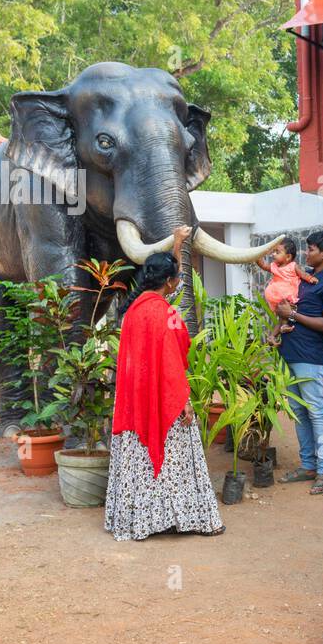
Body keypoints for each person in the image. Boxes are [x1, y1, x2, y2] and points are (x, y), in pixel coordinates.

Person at [105, 227, 224, 542]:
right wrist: (184, 401)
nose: (178, 282)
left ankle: (140, 522)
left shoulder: (133, 311)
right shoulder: (167, 314)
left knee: (141, 465)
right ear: (169, 283)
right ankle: (192, 519)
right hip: (164, 400)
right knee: (177, 464)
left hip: (135, 402)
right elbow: (173, 359)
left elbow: (171, 278)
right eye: (176, 279)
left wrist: (179, 245)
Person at [274, 231, 323, 496]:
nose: (307, 253)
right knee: (298, 411)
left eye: (311, 249)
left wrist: (292, 314)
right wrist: (277, 330)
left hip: (310, 357)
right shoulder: (303, 279)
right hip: (289, 353)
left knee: (316, 412)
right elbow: (285, 308)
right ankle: (308, 466)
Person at [258, 236, 318, 346]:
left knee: (283, 317)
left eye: (277, 252)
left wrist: (310, 279)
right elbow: (263, 265)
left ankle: (275, 334)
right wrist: (257, 257)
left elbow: (303, 274)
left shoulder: (293, 266)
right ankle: (276, 333)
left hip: (287, 295)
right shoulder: (274, 266)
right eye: (273, 252)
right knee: (281, 316)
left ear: (288, 257)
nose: (273, 254)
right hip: (276, 296)